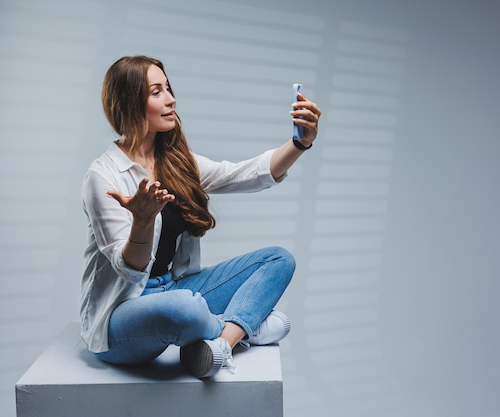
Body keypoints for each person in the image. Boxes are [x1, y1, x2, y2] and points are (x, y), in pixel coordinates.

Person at [81, 55, 321, 378]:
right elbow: (130, 269)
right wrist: (142, 221)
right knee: (185, 308)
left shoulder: (177, 163)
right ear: (128, 102)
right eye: (157, 92)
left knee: (279, 260)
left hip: (177, 287)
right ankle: (244, 324)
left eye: (168, 88)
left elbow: (243, 174)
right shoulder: (103, 176)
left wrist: (299, 143)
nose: (171, 98)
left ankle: (224, 342)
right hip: (122, 317)